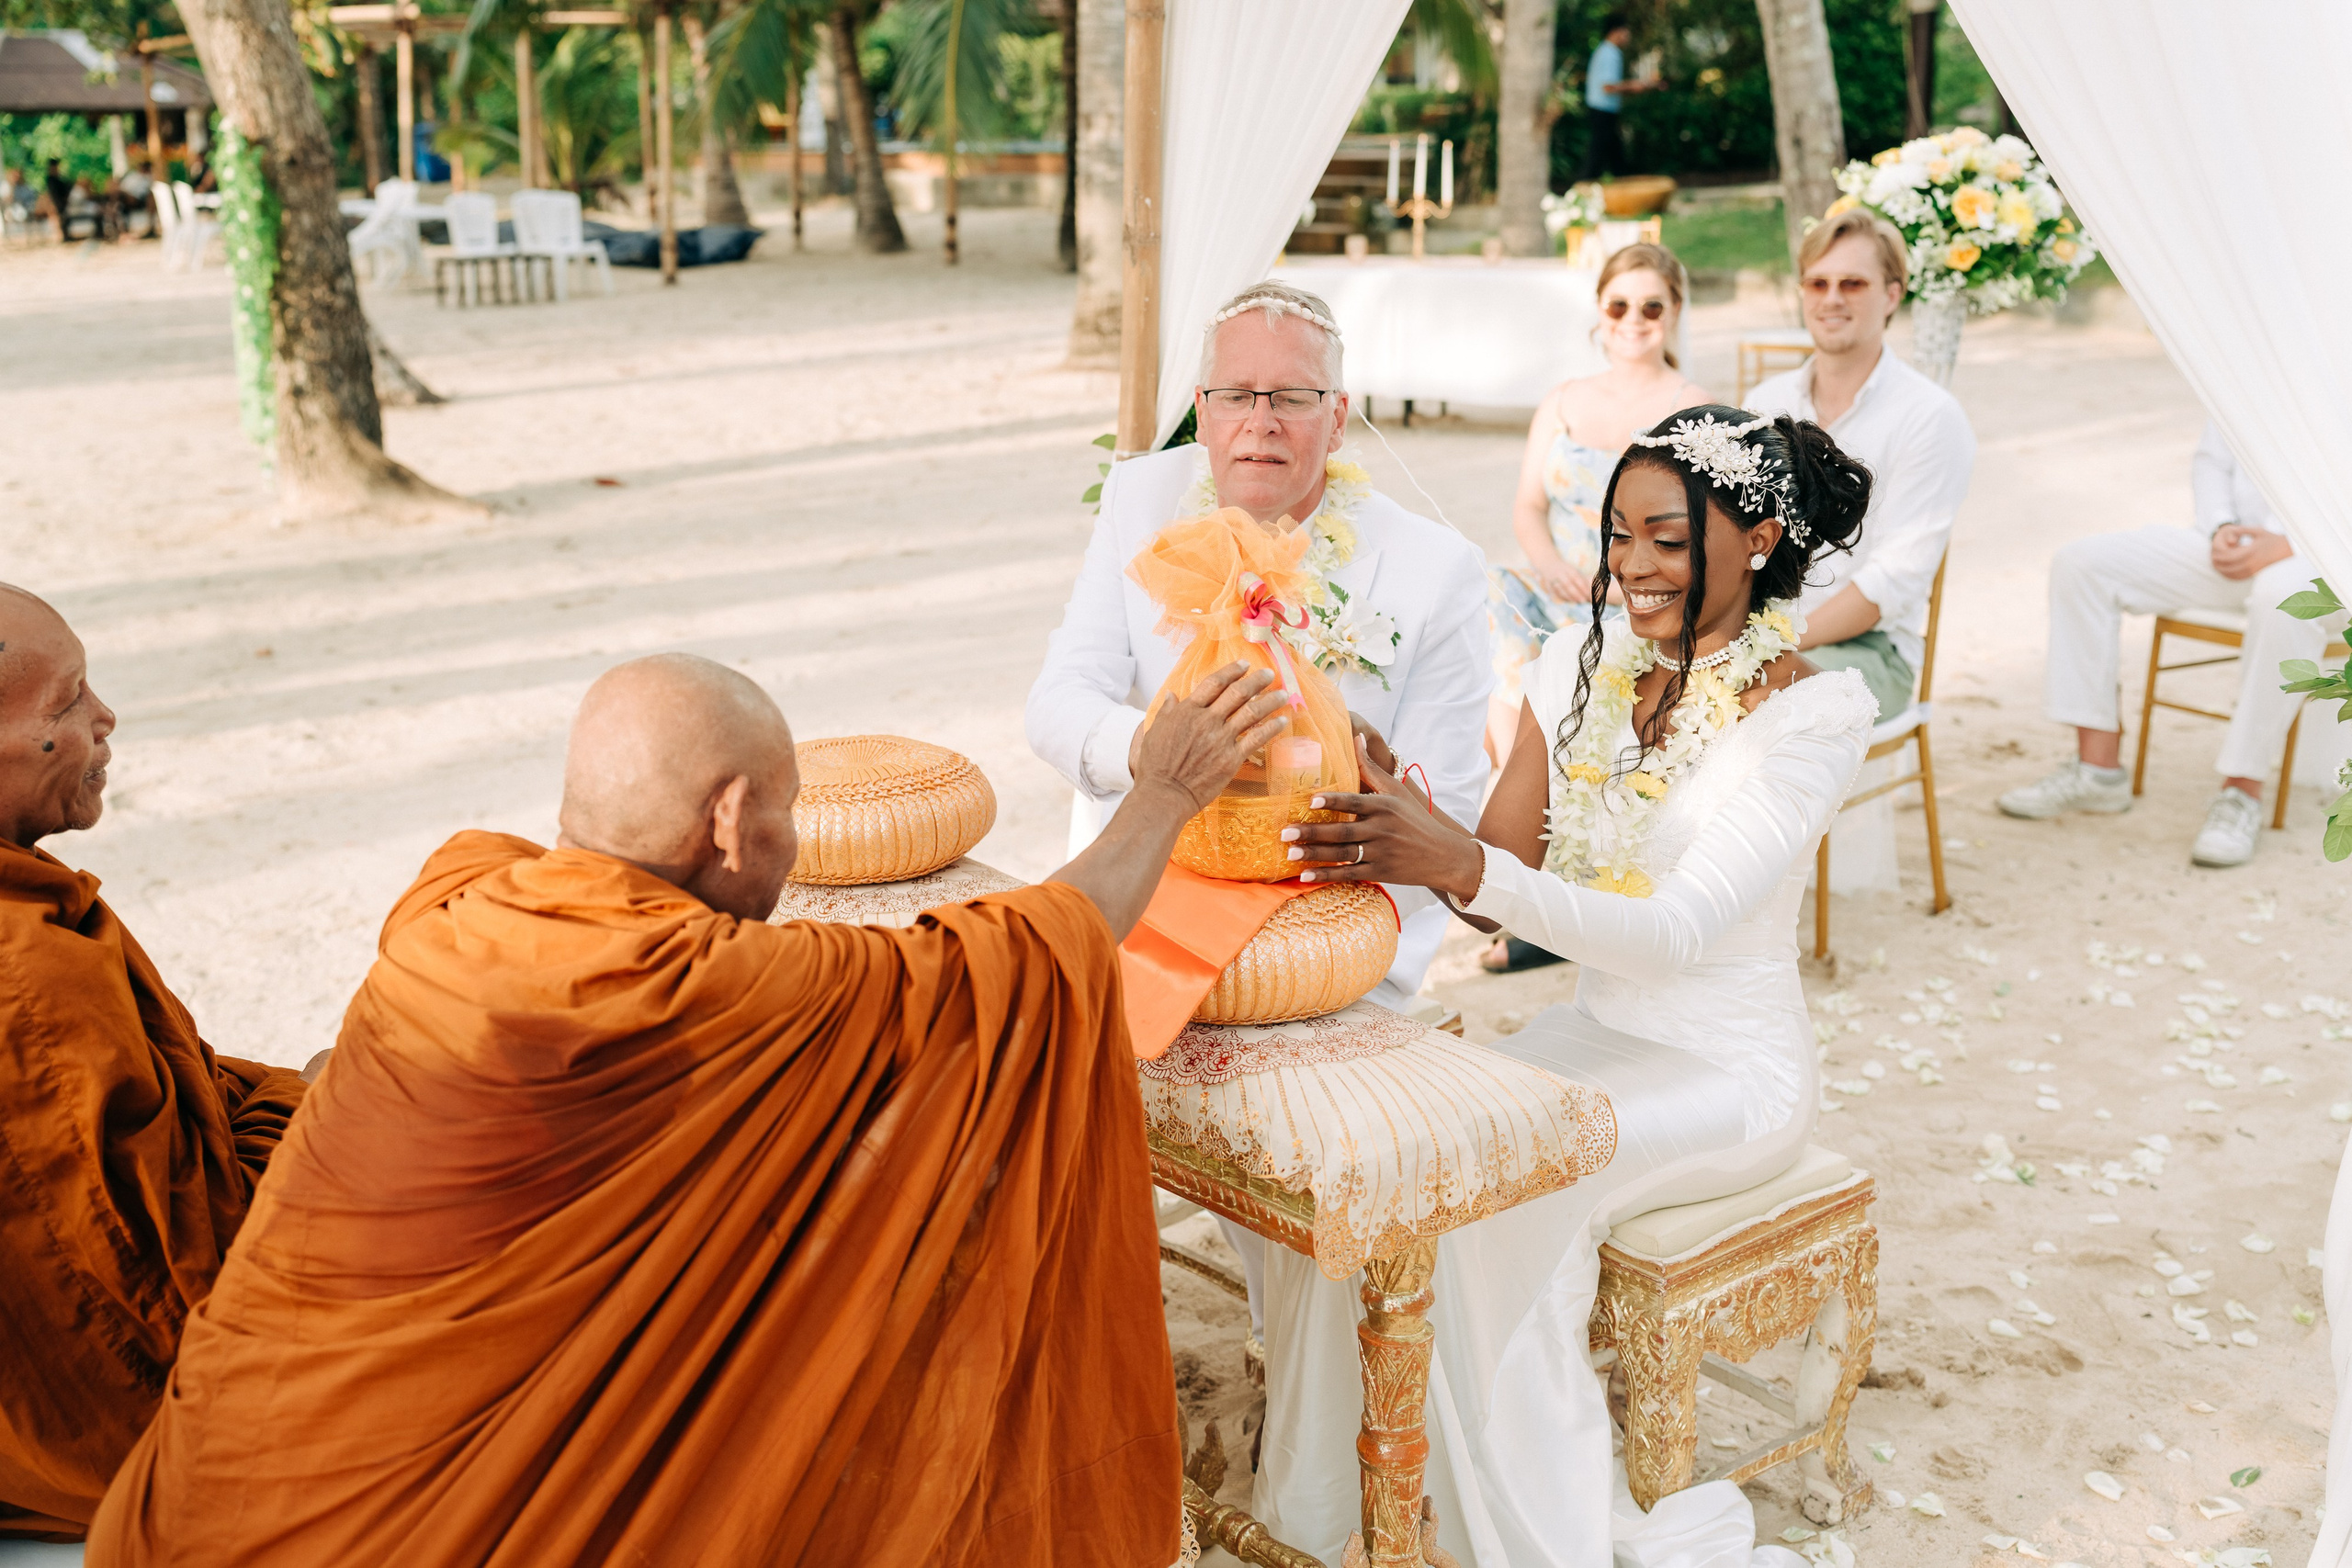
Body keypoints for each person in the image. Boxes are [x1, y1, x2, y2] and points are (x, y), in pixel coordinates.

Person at [89, 651, 1295, 1568]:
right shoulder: (697, 986)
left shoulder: (456, 900)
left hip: (190, 1506)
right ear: (728, 820)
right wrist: (1165, 786)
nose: (784, 838)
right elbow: (1040, 946)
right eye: (782, 807)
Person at [1266, 408, 1876, 1566]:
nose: (1630, 568)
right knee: (1408, 1175)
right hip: (1585, 1038)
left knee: (1495, 1208)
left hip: (1727, 1076)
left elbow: (1674, 935)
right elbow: (1491, 885)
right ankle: (1386, 1506)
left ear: (1754, 537)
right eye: (1615, 536)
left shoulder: (1811, 715)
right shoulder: (1575, 664)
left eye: (1665, 540)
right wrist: (1412, 817)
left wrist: (1458, 858)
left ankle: (1525, 1533)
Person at [1026, 279, 1494, 1352]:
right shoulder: (1143, 504)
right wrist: (1157, 757)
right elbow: (1055, 705)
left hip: (1319, 937)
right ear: (1201, 406)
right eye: (1236, 395)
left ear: (1339, 411)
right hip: (1140, 902)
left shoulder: (1432, 569)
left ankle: (1306, 1402)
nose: (1261, 421)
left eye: (1292, 396)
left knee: (1287, 1190)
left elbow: (1449, 807)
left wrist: (1370, 793)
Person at [0, 584, 311, 1541]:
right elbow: (167, 1327)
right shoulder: (28, 983)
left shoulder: (36, 928)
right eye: (67, 705)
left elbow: (180, 1100)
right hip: (128, 1437)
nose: (105, 719)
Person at [1487, 242, 1708, 978]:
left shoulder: (1692, 407)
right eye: (1620, 306)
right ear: (1600, 312)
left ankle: (1552, 892)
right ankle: (1529, 857)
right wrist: (1550, 563)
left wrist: (1620, 585)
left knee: (1575, 667)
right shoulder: (1563, 399)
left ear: (1674, 312)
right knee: (1494, 605)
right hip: (1561, 587)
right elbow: (1528, 503)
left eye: (1652, 306)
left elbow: (1699, 534)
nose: (1634, 320)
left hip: (1643, 595)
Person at [1997, 417, 2346, 866]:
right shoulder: (2256, 355)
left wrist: (2293, 545)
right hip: (2232, 546)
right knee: (2082, 565)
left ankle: (2242, 792)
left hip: (2328, 560)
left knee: (2282, 599)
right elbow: (2212, 461)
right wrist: (2221, 525)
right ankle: (2098, 771)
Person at [1746, 207, 1976, 721]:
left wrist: (1769, 642)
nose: (1831, 299)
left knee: (1745, 703)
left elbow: (1894, 579)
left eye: (1852, 283)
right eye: (1817, 283)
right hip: (1760, 632)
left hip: (1873, 654)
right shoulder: (1765, 401)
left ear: (1892, 294)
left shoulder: (1930, 416)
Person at [1579, 15, 1662, 182]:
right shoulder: (1609, 53)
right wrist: (1637, 85)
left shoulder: (1605, 51)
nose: (1628, 37)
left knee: (1615, 157)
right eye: (1626, 32)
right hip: (1602, 111)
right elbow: (1608, 87)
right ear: (1616, 31)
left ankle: (1622, 193)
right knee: (1598, 158)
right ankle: (1581, 194)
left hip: (1603, 110)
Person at [41, 159, 71, 243]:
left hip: (62, 203)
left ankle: (66, 236)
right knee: (60, 219)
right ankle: (63, 236)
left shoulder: (57, 179)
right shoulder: (51, 180)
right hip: (57, 204)